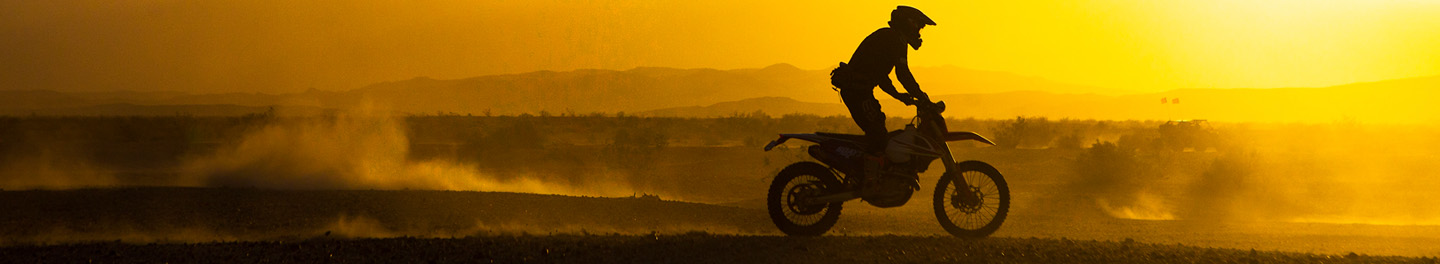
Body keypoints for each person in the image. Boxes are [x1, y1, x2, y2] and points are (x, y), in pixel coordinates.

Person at [830, 6, 935, 185]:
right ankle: (868, 180)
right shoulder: (894, 40)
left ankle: (871, 173)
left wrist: (899, 96)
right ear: (909, 24)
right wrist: (923, 97)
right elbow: (903, 75)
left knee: (879, 129)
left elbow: (880, 75)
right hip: (858, 93)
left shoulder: (890, 37)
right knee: (878, 134)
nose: (919, 32)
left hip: (861, 92)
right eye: (919, 26)